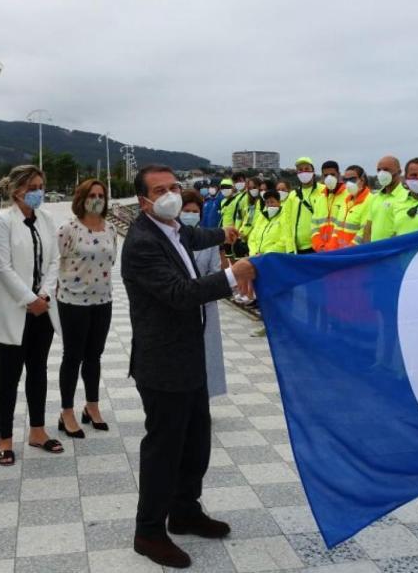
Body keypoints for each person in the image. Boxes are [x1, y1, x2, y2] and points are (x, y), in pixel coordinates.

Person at [122, 164, 254, 568]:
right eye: (160, 190)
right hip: (163, 363)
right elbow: (180, 294)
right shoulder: (143, 242)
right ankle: (148, 531)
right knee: (164, 448)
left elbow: (197, 235)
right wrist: (235, 275)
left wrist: (225, 234)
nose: (171, 194)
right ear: (144, 201)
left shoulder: (175, 228)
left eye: (174, 186)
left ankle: (184, 511)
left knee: (196, 441)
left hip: (190, 356)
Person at [0, 166, 65, 462]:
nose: (38, 191)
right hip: (12, 309)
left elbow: (55, 259)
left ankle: (38, 431)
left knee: (38, 370)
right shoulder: (2, 221)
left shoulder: (46, 218)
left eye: (41, 185)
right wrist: (29, 298)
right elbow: (3, 267)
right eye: (33, 186)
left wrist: (44, 294)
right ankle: (5, 437)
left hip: (43, 308)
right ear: (17, 190)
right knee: (9, 375)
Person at [56, 178, 117, 438]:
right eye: (92, 194)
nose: (97, 199)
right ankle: (66, 411)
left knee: (95, 356)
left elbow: (111, 261)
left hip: (102, 300)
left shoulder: (111, 228)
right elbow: (54, 261)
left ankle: (92, 406)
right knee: (73, 356)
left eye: (101, 195)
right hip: (72, 301)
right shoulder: (69, 228)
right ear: (81, 198)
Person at [178, 189, 227, 398]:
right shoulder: (172, 239)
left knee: (206, 352)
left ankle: (203, 396)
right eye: (186, 210)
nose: (190, 214)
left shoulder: (209, 240)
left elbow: (215, 271)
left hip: (204, 303)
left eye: (194, 211)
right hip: (178, 303)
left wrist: (201, 289)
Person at [324, 165, 374, 250]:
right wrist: (330, 249)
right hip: (341, 254)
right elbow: (337, 228)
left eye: (352, 179)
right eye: (345, 180)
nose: (348, 183)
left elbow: (363, 233)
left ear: (362, 180)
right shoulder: (346, 201)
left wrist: (348, 252)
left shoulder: (370, 200)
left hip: (355, 255)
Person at [282, 157, 322, 254]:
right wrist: (290, 247)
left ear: (313, 171)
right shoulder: (292, 195)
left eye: (307, 169)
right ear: (297, 174)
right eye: (300, 170)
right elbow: (286, 222)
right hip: (297, 249)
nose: (304, 172)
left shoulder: (323, 191)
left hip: (319, 247)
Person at [367, 155, 408, 241]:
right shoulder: (375, 197)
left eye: (386, 170)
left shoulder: (407, 197)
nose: (382, 173)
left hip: (392, 252)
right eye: (379, 170)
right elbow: (368, 228)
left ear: (399, 172)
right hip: (374, 252)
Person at [311, 160, 347, 252]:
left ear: (339, 174)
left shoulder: (348, 196)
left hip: (341, 250)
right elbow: (314, 226)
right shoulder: (320, 199)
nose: (329, 178)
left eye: (332, 174)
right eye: (326, 175)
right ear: (322, 176)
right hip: (321, 251)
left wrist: (332, 247)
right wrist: (319, 246)